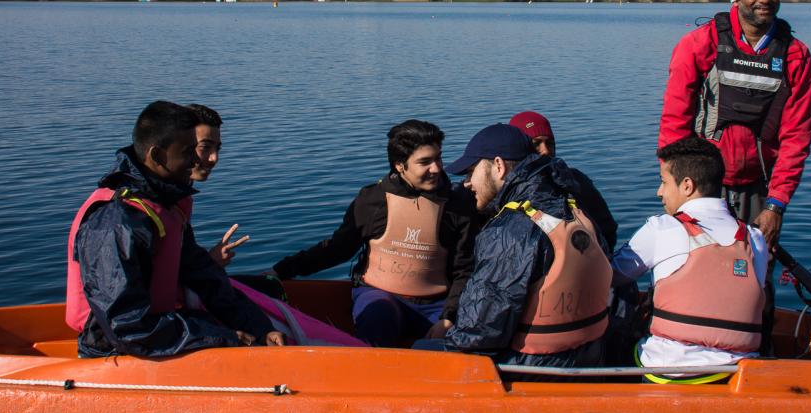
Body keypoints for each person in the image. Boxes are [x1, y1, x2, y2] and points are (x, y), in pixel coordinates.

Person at [65, 100, 284, 358]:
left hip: (158, 338)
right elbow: (126, 327)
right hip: (117, 352)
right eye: (189, 151)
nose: (198, 160)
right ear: (158, 156)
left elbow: (205, 277)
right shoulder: (115, 223)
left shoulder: (167, 206)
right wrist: (223, 338)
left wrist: (260, 328)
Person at [267, 120, 478, 347]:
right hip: (380, 296)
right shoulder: (373, 200)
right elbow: (337, 250)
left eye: (438, 158)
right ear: (400, 165)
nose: (436, 168)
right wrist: (281, 270)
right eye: (425, 162)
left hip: (436, 305)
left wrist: (448, 317)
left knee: (458, 339)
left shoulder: (458, 204)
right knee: (378, 315)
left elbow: (464, 269)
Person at [658, 0, 811, 248]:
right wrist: (673, 183)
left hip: (760, 187)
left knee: (753, 270)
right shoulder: (699, 45)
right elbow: (675, 121)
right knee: (694, 266)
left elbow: (797, 136)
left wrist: (776, 205)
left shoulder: (796, 56)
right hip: (700, 186)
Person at [440, 124, 612, 368]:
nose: (467, 183)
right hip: (588, 358)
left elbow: (478, 334)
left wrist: (446, 346)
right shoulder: (576, 211)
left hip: (529, 368)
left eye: (470, 171)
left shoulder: (509, 231)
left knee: (420, 349)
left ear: (498, 166)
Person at [611, 136, 768, 382]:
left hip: (669, 374)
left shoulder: (662, 228)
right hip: (738, 374)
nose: (659, 192)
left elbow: (609, 275)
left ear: (687, 185)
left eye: (664, 182)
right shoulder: (754, 239)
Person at [509, 110, 618, 251]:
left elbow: (607, 228)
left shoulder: (576, 182)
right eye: (536, 144)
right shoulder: (505, 190)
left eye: (549, 143)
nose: (545, 150)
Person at [186, 103, 249, 268]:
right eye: (205, 147)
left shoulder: (179, 199)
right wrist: (209, 264)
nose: (214, 158)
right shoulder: (145, 210)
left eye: (217, 149)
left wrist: (208, 263)